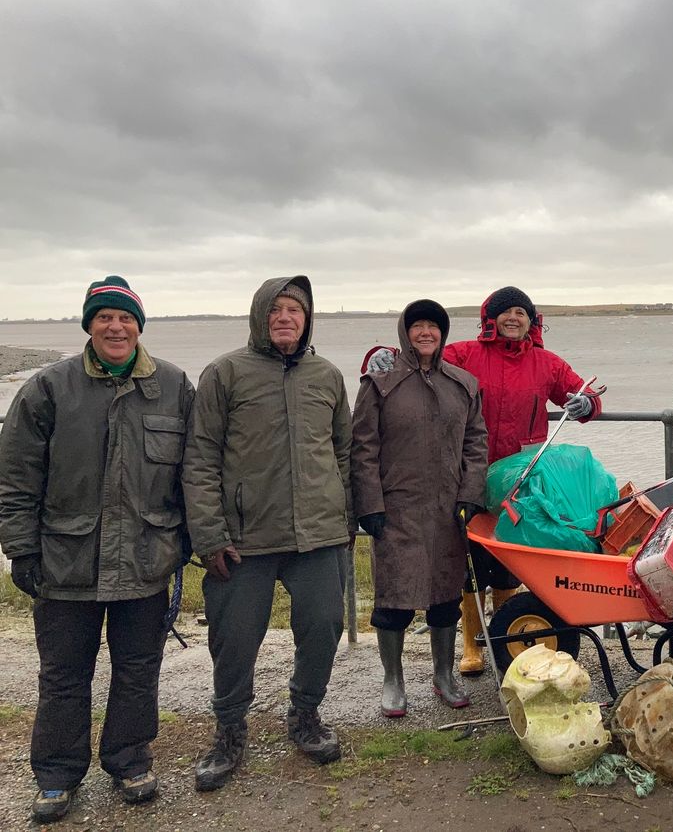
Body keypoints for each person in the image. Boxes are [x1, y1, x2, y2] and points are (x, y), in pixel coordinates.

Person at [0, 276, 194, 823]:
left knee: (138, 670)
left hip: (145, 562)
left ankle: (130, 761)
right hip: (65, 563)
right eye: (104, 317)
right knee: (64, 675)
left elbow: (194, 475)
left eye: (125, 318)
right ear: (89, 325)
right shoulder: (48, 388)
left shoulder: (175, 386)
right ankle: (57, 776)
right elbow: (15, 477)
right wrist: (22, 549)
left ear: (139, 326)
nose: (116, 326)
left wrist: (188, 541)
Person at [182, 276, 352, 792]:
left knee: (323, 629)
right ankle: (230, 731)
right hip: (243, 540)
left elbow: (342, 450)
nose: (285, 317)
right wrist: (209, 534)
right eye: (275, 309)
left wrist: (341, 516)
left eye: (295, 310)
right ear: (259, 315)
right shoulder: (225, 373)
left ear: (307, 319)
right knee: (233, 641)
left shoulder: (326, 375)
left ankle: (305, 715)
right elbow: (199, 458)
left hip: (318, 538)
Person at [442, 285, 603, 676]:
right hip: (473, 473)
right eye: (506, 312)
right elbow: (419, 360)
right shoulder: (465, 354)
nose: (513, 318)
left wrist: (587, 404)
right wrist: (379, 359)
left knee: (511, 557)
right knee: (471, 559)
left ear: (532, 321)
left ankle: (504, 637)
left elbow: (582, 393)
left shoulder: (546, 362)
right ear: (490, 319)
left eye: (521, 312)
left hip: (522, 479)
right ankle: (470, 645)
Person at [352, 300, 488, 713]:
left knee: (445, 598)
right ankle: (393, 681)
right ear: (404, 332)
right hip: (396, 509)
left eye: (434, 326)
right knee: (393, 599)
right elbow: (362, 447)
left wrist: (471, 493)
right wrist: (369, 503)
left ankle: (443, 675)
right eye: (418, 326)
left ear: (443, 334)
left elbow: (476, 443)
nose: (426, 332)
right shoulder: (380, 382)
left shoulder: (463, 383)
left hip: (448, 509)